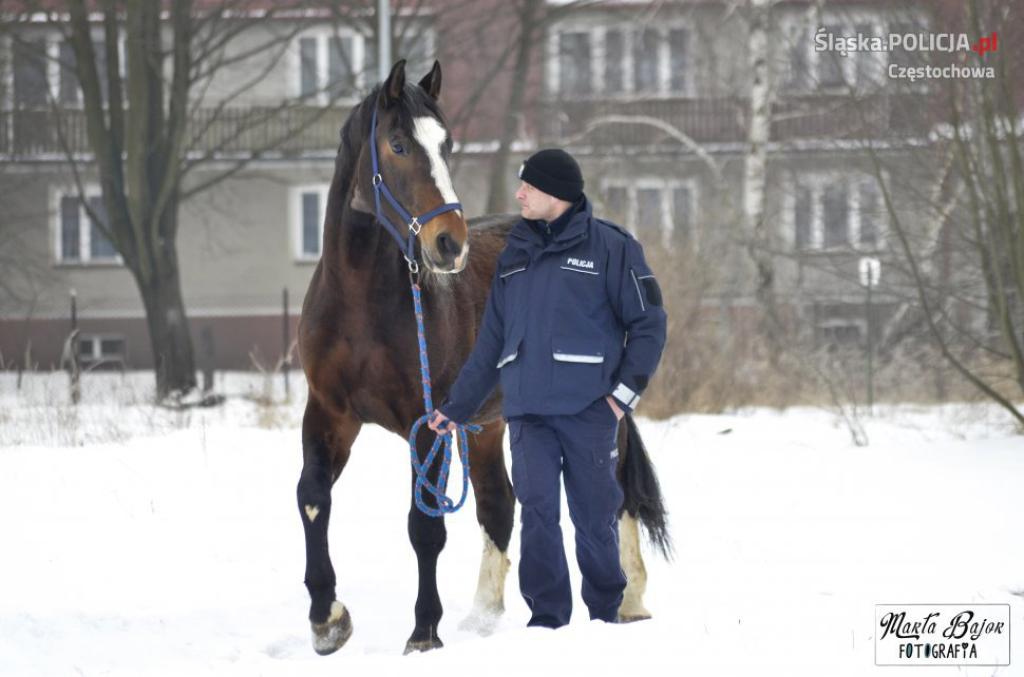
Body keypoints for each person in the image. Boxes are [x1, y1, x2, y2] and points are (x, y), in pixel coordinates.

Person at [427, 148, 667, 628]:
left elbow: (649, 325)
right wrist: (456, 408)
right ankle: (547, 618)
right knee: (537, 515)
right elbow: (491, 343)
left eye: (528, 187)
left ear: (555, 193)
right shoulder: (514, 255)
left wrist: (621, 397)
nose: (519, 195)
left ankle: (605, 613)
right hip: (528, 413)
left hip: (589, 411)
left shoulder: (612, 248)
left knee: (594, 516)